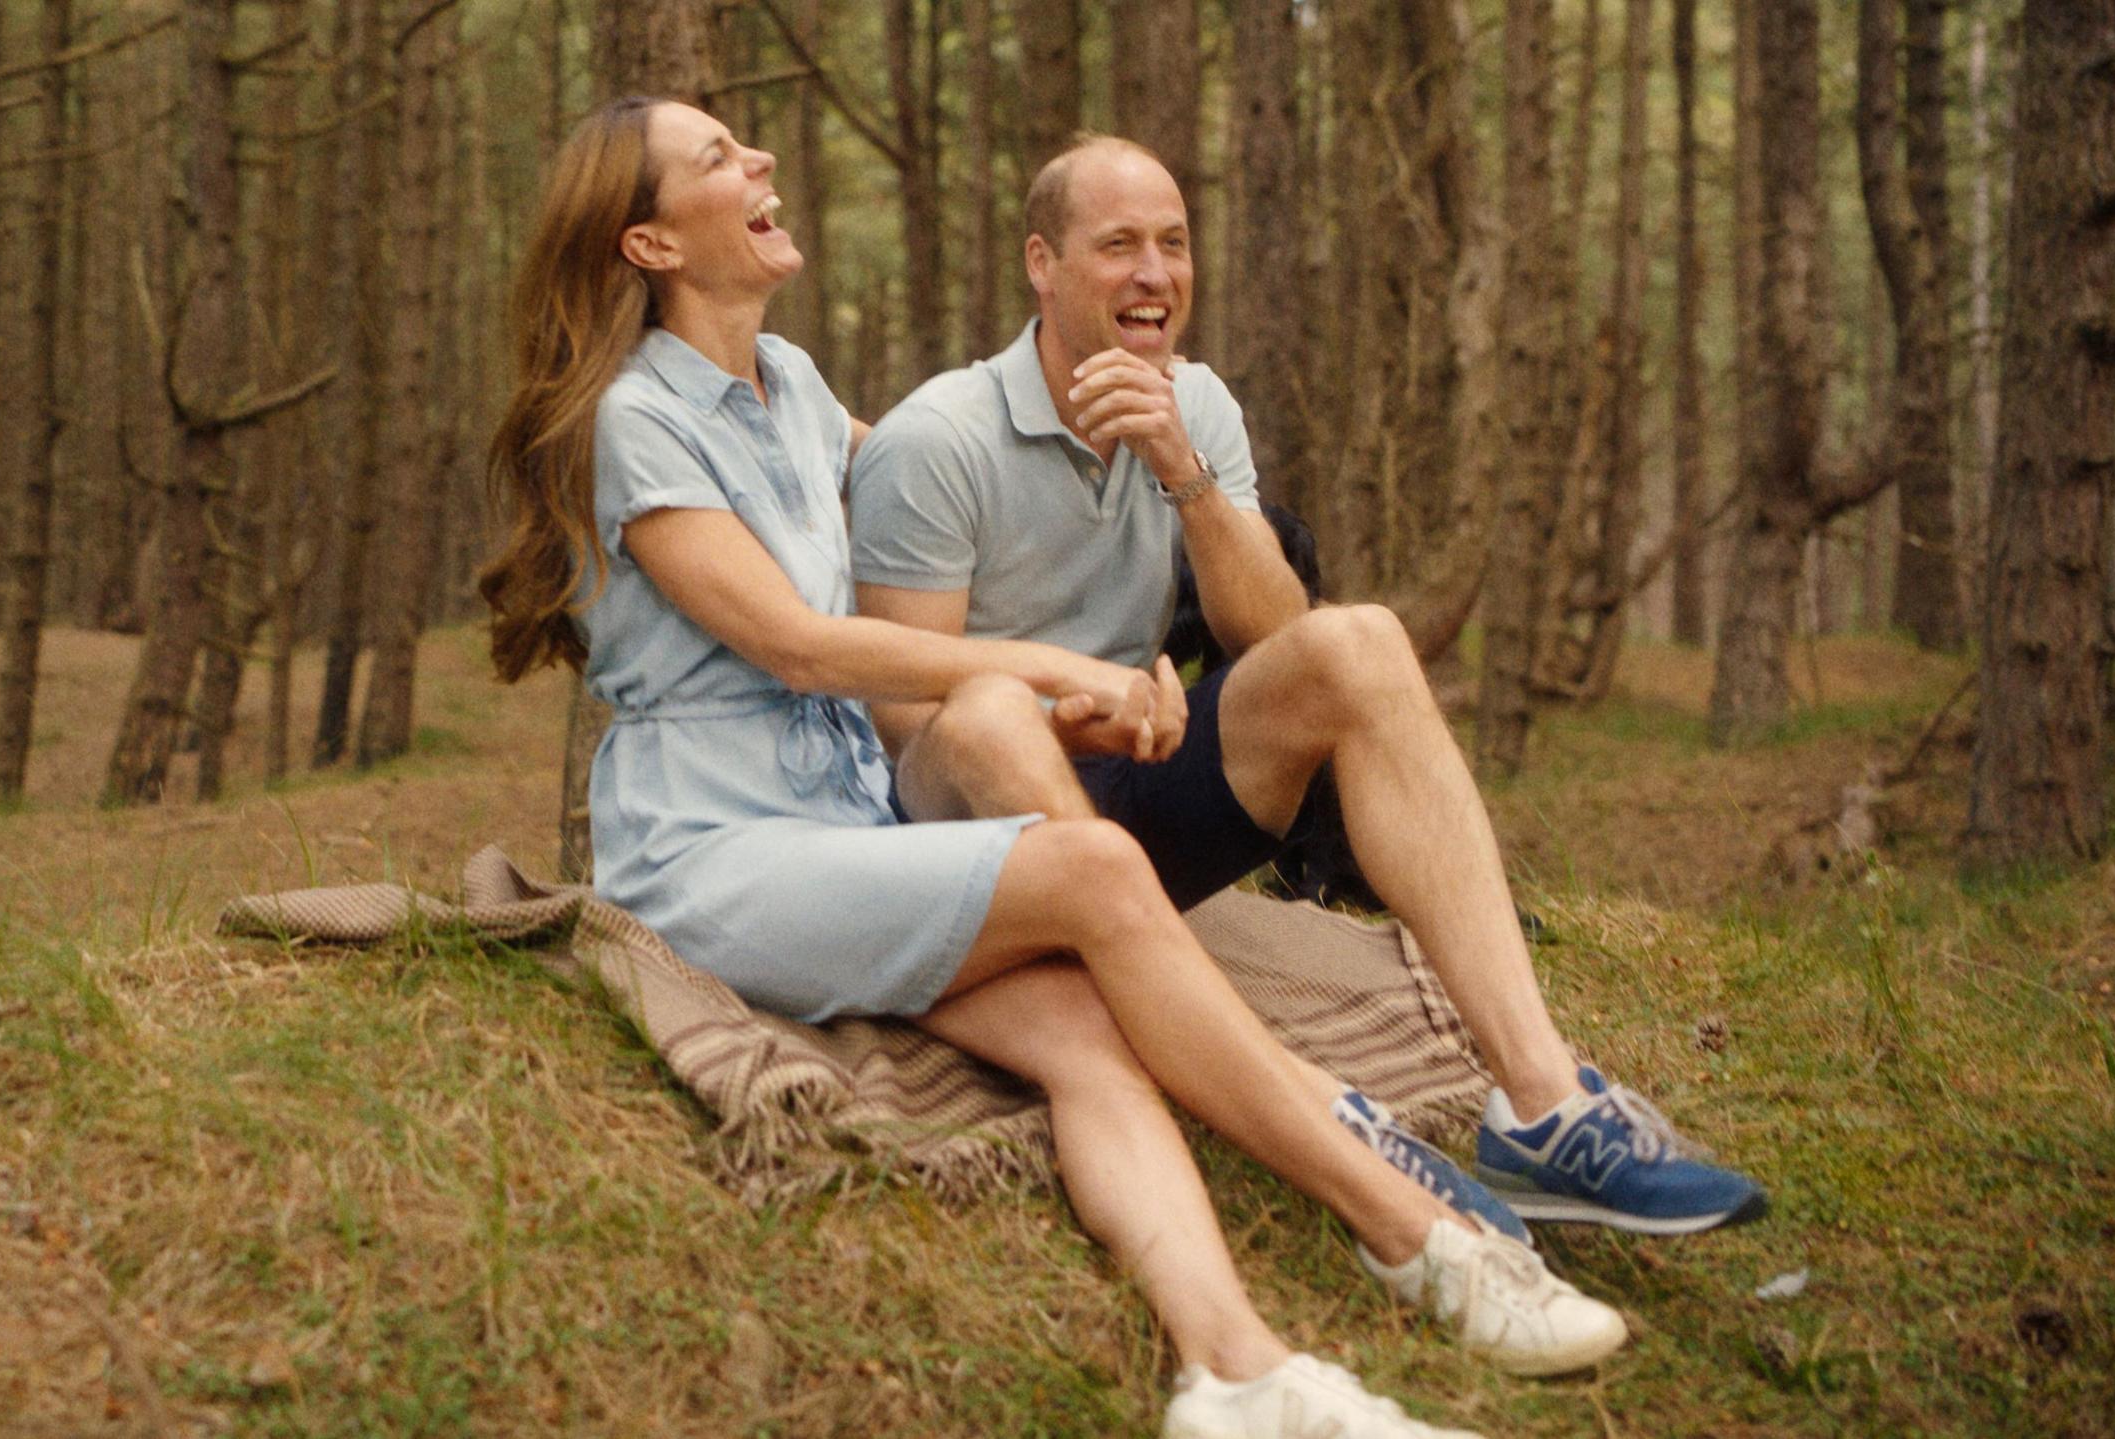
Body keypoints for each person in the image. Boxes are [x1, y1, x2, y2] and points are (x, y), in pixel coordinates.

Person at [481, 98, 1628, 1439]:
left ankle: (1237, 1370)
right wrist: (1054, 670)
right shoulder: (632, 422)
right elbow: (796, 644)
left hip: (853, 833)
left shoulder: (788, 386)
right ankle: (1410, 1221)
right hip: (715, 854)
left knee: (1088, 1034)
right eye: (720, 159)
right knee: (1089, 865)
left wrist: (1120, 617)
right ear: (649, 240)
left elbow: (926, 480)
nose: (760, 162)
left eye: (749, 143)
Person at [849, 134, 1768, 1241]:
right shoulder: (936, 439)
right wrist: (1064, 706)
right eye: (1119, 245)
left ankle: (1543, 1102)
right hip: (979, 839)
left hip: (1134, 790)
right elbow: (901, 714)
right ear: (1042, 265)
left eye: (1175, 245)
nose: (1155, 273)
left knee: (1361, 642)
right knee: (991, 716)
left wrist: (1182, 470)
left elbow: (1277, 639)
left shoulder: (1201, 407)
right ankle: (1312, 1109)